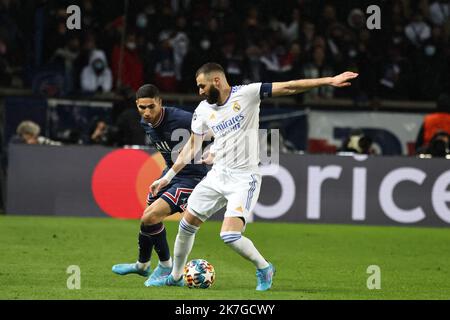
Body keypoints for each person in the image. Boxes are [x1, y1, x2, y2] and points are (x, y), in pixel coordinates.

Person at [148, 63, 358, 290]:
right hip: (217, 176)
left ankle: (264, 267)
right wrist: (167, 177)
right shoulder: (202, 110)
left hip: (244, 178)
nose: (199, 91)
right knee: (186, 225)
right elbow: (191, 146)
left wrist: (327, 80)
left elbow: (288, 87)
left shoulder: (247, 94)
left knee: (229, 235)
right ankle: (176, 276)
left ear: (217, 81)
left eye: (202, 86)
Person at [111, 84, 209, 286]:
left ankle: (166, 266)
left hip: (193, 177)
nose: (146, 112)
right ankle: (142, 265)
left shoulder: (181, 118)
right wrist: (167, 174)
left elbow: (214, 129)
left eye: (151, 107)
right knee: (147, 218)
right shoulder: (145, 122)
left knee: (151, 216)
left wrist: (214, 150)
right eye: (142, 107)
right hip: (171, 174)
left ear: (160, 103)